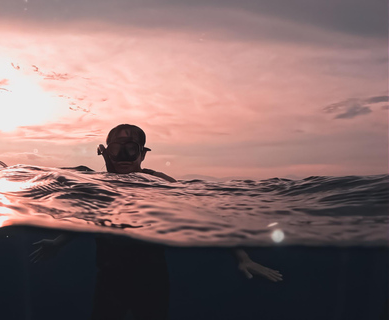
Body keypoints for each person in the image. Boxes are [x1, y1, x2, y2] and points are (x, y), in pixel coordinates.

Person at [30, 124, 282, 320]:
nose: (125, 156)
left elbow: (210, 216)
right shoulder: (96, 185)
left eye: (132, 149)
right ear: (104, 152)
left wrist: (243, 258)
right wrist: (58, 241)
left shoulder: (159, 183)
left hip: (151, 279)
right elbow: (89, 218)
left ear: (143, 154)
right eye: (117, 149)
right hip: (108, 278)